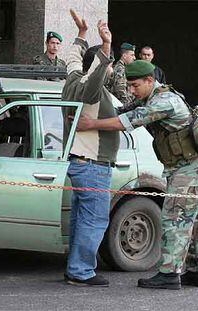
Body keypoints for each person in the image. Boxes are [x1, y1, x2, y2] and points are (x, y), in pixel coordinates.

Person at [75, 59, 198, 290]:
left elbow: (128, 121)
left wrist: (92, 124)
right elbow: (123, 110)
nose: (131, 90)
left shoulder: (164, 101)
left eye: (135, 85)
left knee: (175, 220)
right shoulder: (151, 96)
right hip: (182, 167)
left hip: (188, 169)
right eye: (129, 86)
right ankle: (195, 270)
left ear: (150, 80)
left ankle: (169, 275)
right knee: (191, 220)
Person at [62, 9, 119, 287]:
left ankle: (75, 267)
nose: (112, 68)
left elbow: (72, 59)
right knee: (94, 221)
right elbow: (96, 73)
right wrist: (105, 45)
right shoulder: (90, 88)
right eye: (109, 63)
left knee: (81, 220)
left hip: (80, 163)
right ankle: (82, 271)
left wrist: (81, 35)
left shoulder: (72, 80)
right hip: (93, 164)